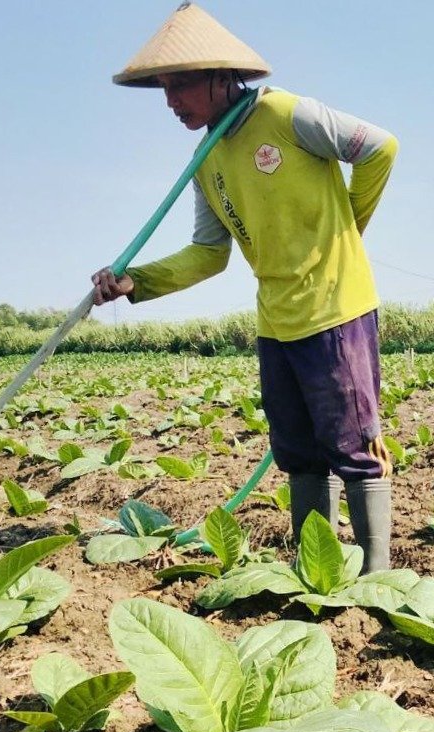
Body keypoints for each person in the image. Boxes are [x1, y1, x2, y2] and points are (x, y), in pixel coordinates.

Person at [90, 3, 397, 572]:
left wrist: (349, 226)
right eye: (163, 89)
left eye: (180, 85)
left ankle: (377, 575)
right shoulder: (205, 160)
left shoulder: (286, 113)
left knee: (354, 450)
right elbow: (210, 255)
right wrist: (136, 282)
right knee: (299, 455)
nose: (171, 102)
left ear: (220, 75)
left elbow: (380, 148)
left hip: (336, 309)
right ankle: (319, 566)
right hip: (276, 321)